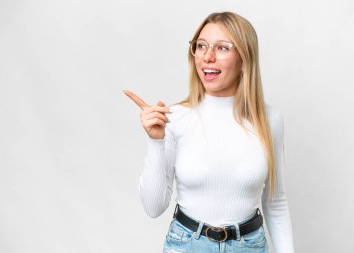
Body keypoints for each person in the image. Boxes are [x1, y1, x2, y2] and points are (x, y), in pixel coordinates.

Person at [124, 11, 294, 253]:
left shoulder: (269, 120)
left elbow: (276, 203)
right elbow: (153, 208)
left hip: (249, 247)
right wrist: (155, 142)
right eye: (200, 46)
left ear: (245, 57)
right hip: (186, 245)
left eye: (222, 48)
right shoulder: (174, 118)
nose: (208, 57)